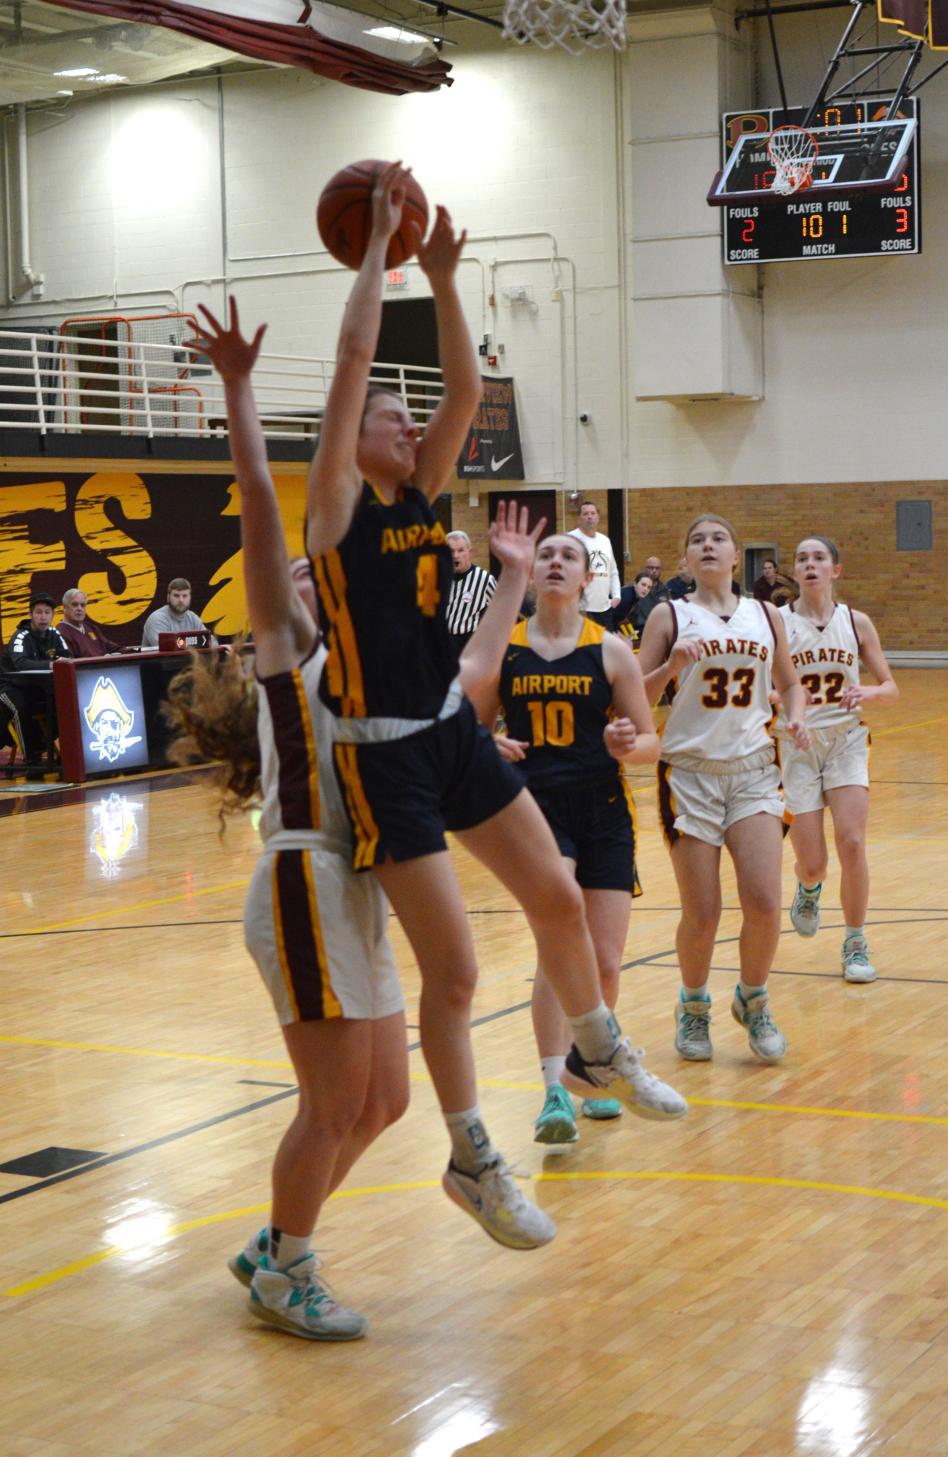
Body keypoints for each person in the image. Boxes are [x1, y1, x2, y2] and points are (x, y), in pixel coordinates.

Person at [305, 163, 687, 1249]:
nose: (406, 419)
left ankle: (601, 1041)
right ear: (359, 438)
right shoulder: (335, 509)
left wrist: (445, 276)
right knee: (459, 971)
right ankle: (473, 1153)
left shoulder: (424, 497)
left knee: (560, 896)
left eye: (406, 412)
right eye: (390, 413)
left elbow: (467, 394)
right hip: (380, 756)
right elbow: (348, 362)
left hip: (448, 730)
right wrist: (381, 253)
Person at [173, 300, 547, 1341]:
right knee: (333, 1101)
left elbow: (465, 682)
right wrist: (241, 389)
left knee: (383, 1101)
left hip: (363, 875)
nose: (309, 572)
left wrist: (506, 584)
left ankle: (275, 1240)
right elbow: (259, 501)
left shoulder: (378, 658)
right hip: (304, 877)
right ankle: (288, 1262)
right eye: (296, 573)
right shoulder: (288, 648)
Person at [475, 532, 684, 1143]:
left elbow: (651, 742)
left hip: (604, 810)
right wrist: (489, 744)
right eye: (548, 555)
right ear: (532, 573)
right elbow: (469, 733)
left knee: (606, 961)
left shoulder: (612, 651)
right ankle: (551, 1091)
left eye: (570, 556)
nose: (558, 563)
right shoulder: (506, 650)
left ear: (590, 576)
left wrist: (630, 744)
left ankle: (590, 1071)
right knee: (558, 938)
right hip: (537, 809)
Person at [639, 515, 810, 1064]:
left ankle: (753, 999)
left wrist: (798, 715)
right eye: (696, 540)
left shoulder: (766, 615)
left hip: (756, 768)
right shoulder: (670, 615)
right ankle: (693, 1006)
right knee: (704, 910)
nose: (707, 546)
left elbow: (788, 682)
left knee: (763, 901)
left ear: (737, 555)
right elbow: (632, 697)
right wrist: (670, 667)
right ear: (686, 559)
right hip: (688, 773)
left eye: (717, 539)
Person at [779, 535, 899, 983]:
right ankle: (809, 888)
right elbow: (760, 688)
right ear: (795, 571)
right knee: (813, 861)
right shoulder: (778, 623)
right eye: (802, 558)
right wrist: (789, 704)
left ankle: (855, 941)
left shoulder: (856, 622)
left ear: (836, 570)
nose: (809, 564)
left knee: (852, 841)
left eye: (819, 558)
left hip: (846, 739)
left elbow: (890, 687)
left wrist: (870, 690)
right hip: (797, 745)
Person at [0, 591, 72, 767]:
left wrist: (59, 662)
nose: (43, 617)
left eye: (47, 612)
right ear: (30, 614)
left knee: (65, 702)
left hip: (37, 687)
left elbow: (67, 657)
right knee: (21, 707)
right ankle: (31, 758)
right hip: (9, 687)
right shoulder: (20, 636)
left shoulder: (55, 634)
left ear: (53, 615)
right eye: (39, 612)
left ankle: (68, 754)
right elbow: (21, 664)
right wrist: (51, 664)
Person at [568, 501, 621, 627]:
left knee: (604, 646)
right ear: (579, 518)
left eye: (593, 513)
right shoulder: (570, 539)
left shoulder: (605, 540)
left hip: (604, 609)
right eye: (585, 514)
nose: (589, 516)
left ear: (598, 517)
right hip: (580, 609)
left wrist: (617, 595)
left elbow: (613, 571)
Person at [445, 530, 497, 656]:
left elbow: (501, 612)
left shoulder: (484, 580)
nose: (455, 556)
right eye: (451, 551)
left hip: (468, 645)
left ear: (470, 552)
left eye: (461, 550)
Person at [141, 578, 216, 648]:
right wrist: (196, 643)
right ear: (168, 597)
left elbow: (212, 642)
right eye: (176, 596)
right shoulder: (157, 619)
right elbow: (166, 649)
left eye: (185, 596)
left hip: (189, 661)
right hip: (160, 662)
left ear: (190, 597)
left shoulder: (193, 618)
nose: (181, 600)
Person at [57, 588, 122, 657]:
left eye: (82, 605)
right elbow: (70, 663)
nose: (79, 609)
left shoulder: (92, 629)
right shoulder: (59, 633)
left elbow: (114, 648)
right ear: (64, 608)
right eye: (74, 605)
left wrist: (133, 651)